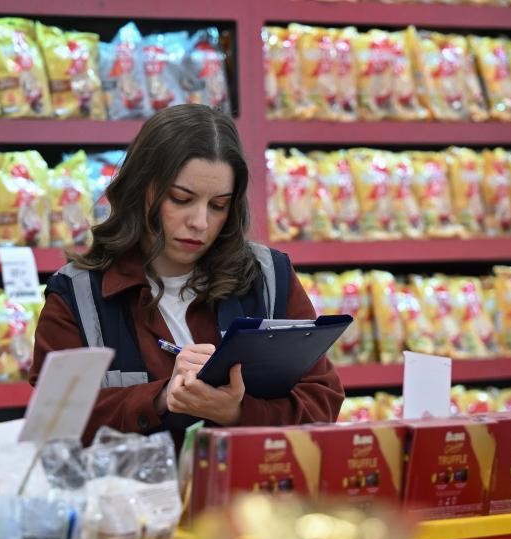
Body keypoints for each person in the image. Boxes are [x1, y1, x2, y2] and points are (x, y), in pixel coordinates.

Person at [30, 104, 344, 444]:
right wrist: (162, 398)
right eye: (181, 199)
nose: (200, 222)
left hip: (249, 496)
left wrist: (235, 414)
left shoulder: (268, 277)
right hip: (127, 497)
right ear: (140, 189)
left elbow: (321, 401)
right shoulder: (76, 295)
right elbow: (54, 428)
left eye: (218, 205)